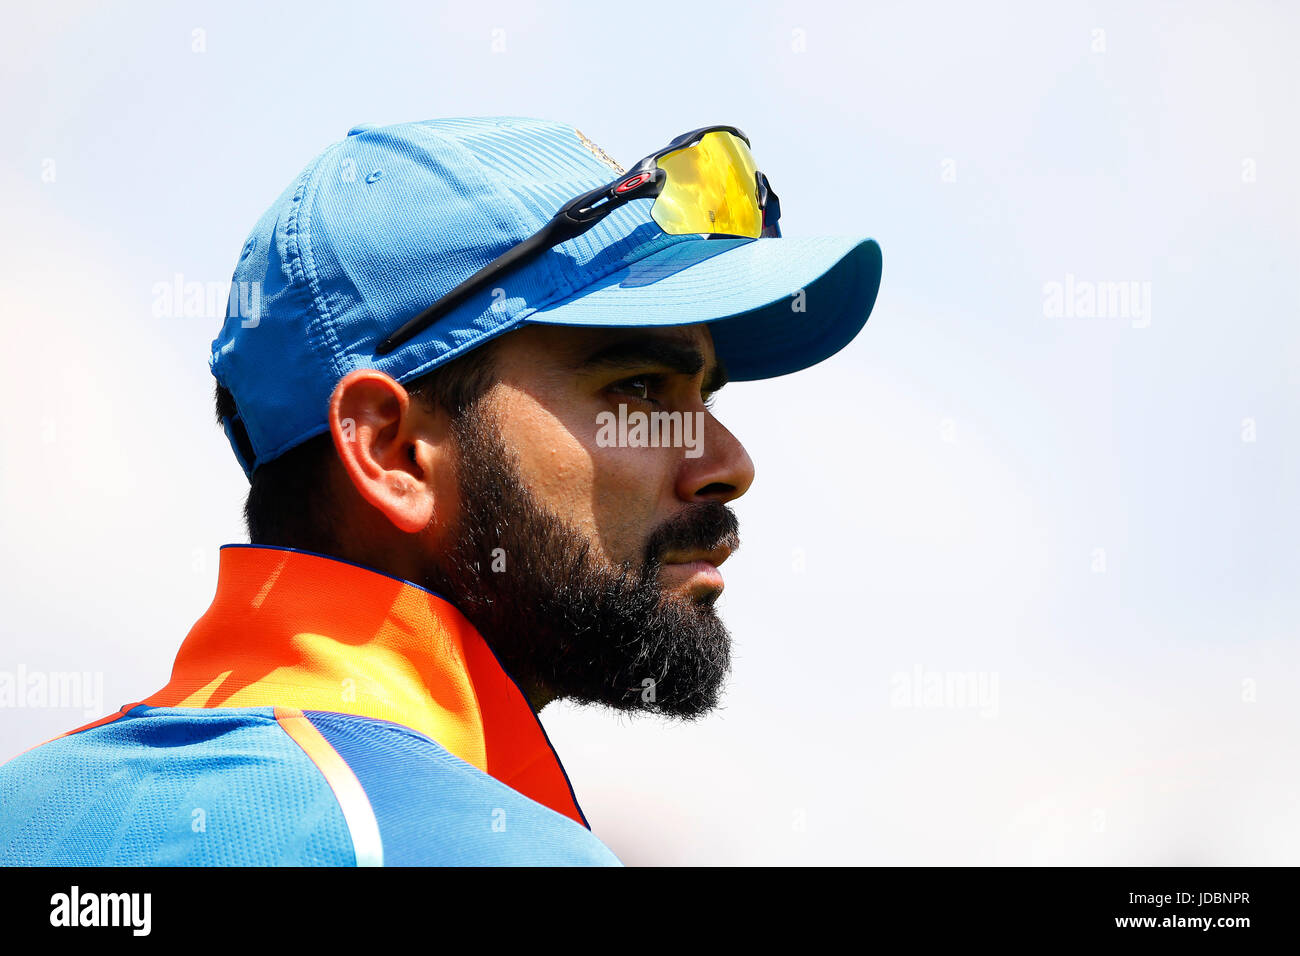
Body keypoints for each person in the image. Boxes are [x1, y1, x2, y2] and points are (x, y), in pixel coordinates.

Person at [0, 117, 882, 865]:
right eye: (640, 391)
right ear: (394, 452)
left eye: (707, 398)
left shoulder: (28, 813)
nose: (724, 461)